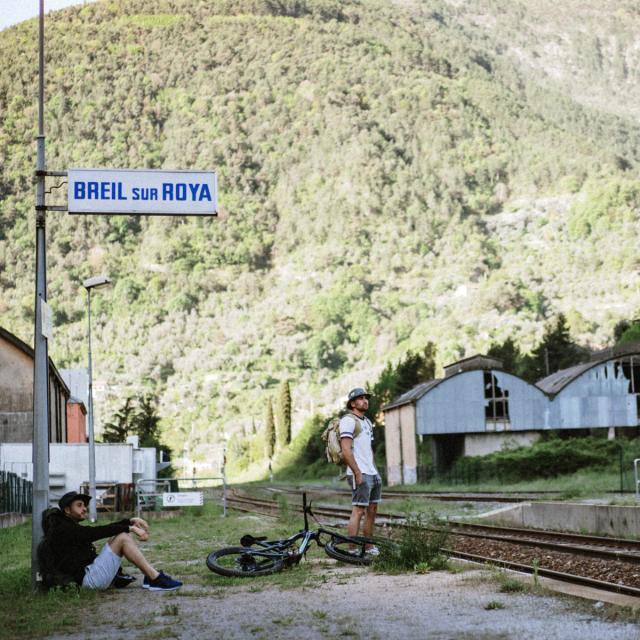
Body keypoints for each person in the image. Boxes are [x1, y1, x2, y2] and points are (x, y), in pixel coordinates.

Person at [43, 490, 182, 591]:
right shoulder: (64, 529)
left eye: (84, 505)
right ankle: (155, 578)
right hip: (87, 581)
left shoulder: (67, 526)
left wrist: (129, 521)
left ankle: (150, 576)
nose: (84, 508)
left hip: (88, 574)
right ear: (67, 510)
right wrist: (130, 528)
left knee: (118, 536)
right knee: (122, 537)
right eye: (79, 505)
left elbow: (101, 530)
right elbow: (95, 532)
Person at [339, 387, 382, 555]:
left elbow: (368, 449)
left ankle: (369, 546)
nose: (365, 400)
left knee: (372, 511)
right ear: (353, 403)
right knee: (358, 510)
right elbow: (346, 450)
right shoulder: (348, 421)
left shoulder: (367, 422)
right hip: (359, 472)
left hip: (372, 472)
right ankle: (352, 549)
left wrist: (374, 470)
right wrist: (357, 472)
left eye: (366, 398)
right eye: (361, 398)